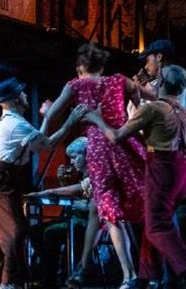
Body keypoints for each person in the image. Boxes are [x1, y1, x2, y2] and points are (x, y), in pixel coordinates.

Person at [86, 67, 186, 289]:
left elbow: (116, 137)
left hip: (162, 170)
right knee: (152, 222)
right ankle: (146, 276)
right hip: (180, 170)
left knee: (156, 227)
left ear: (160, 82)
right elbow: (156, 136)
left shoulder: (154, 109)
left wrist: (97, 119)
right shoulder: (182, 111)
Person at [40, 42, 143, 288]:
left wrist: (47, 111)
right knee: (104, 209)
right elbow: (136, 94)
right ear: (102, 66)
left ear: (79, 68)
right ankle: (89, 268)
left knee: (109, 213)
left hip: (99, 151)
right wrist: (135, 110)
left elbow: (53, 114)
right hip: (124, 146)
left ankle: (128, 274)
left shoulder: (75, 85)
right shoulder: (118, 80)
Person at [0, 77, 85, 289]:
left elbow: (36, 143)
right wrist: (70, 121)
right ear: (15, 99)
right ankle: (9, 282)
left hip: (5, 176)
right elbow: (47, 144)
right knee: (14, 231)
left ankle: (0, 282)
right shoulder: (15, 124)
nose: (26, 95)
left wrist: (47, 118)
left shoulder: (15, 121)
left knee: (0, 233)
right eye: (22, 92)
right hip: (0, 177)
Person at [27, 138, 97, 288]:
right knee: (35, 231)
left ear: (87, 155)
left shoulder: (96, 174)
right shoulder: (82, 174)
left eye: (74, 157)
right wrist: (63, 182)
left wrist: (48, 191)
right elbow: (74, 198)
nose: (72, 162)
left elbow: (83, 200)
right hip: (73, 218)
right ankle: (49, 271)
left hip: (89, 223)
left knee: (51, 233)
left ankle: (51, 278)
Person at [135, 39, 186, 109]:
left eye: (148, 60)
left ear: (159, 57)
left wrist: (139, 89)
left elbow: (163, 108)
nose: (145, 67)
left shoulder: (174, 75)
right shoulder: (155, 82)